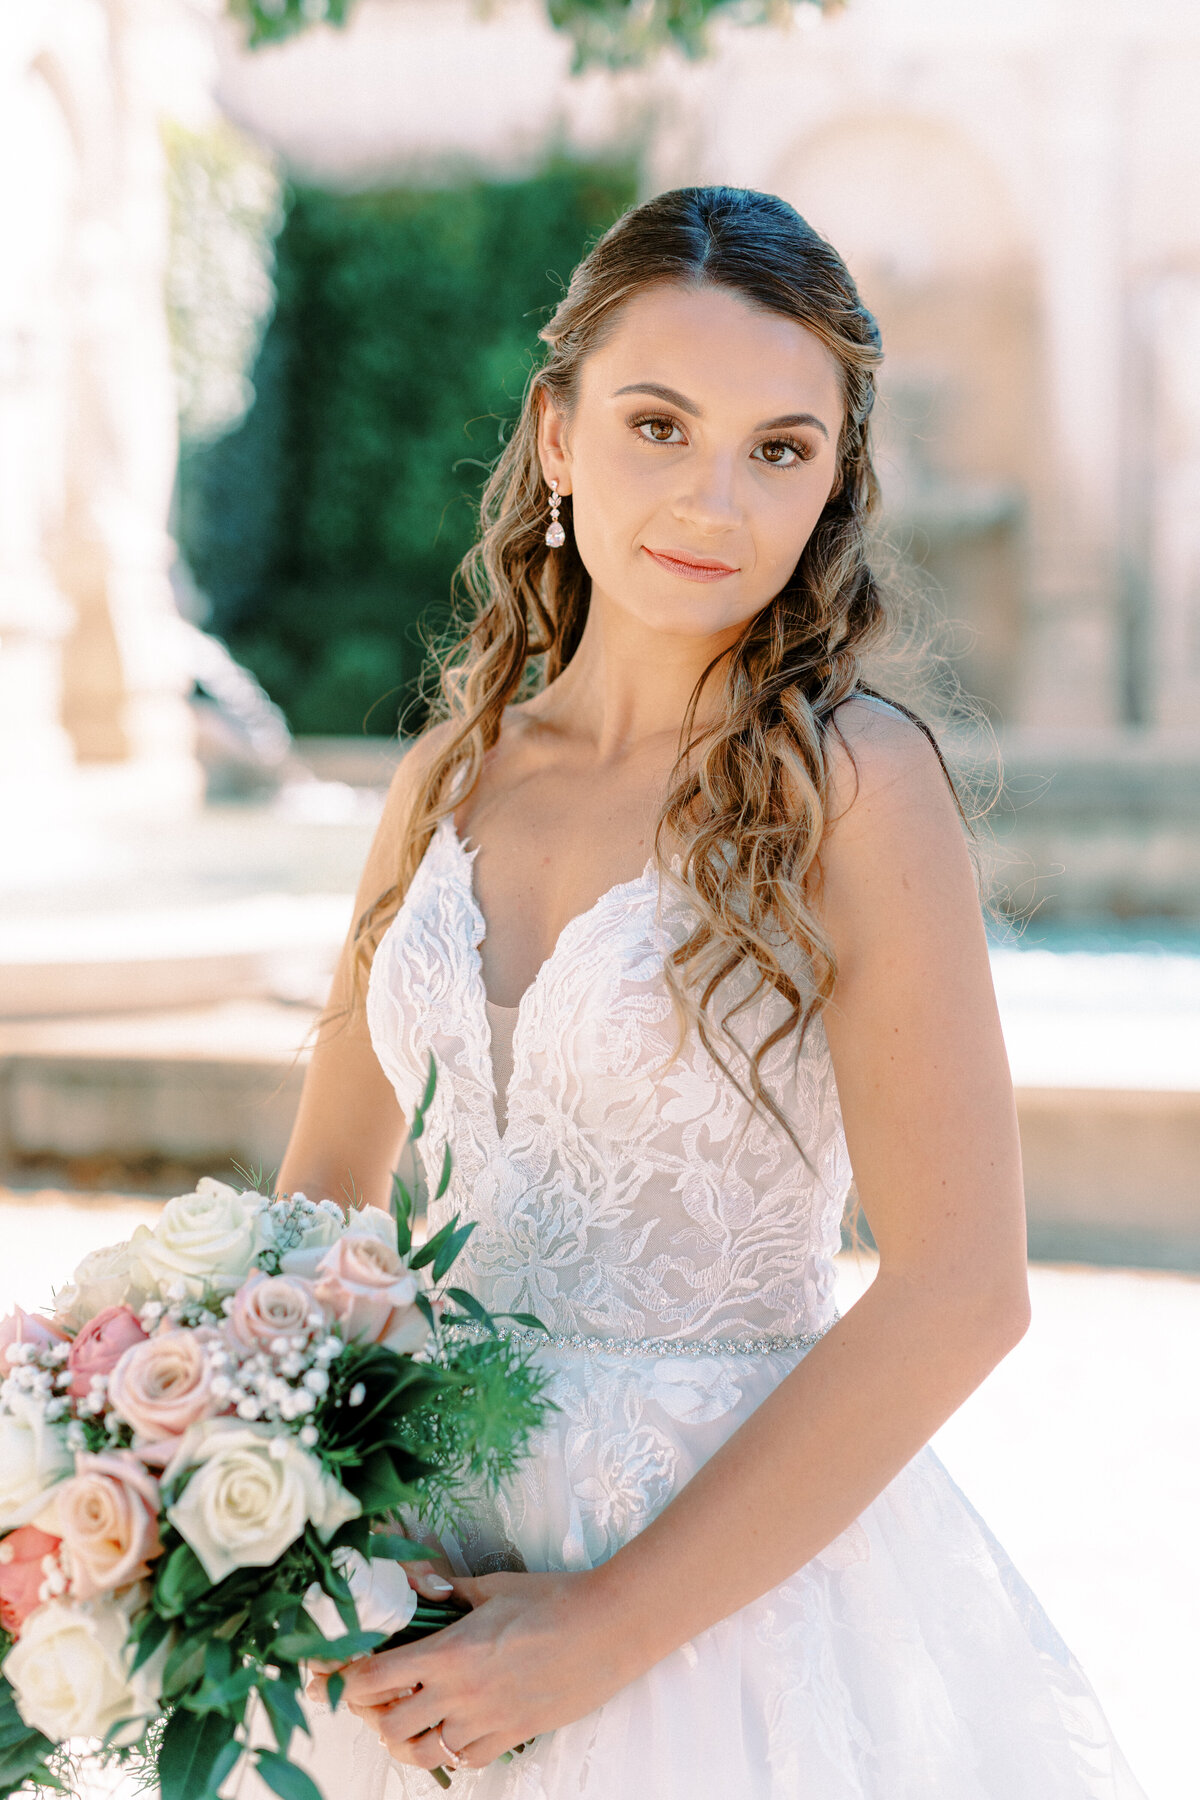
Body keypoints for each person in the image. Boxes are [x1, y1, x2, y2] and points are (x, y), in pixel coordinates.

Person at [278, 187, 1144, 1797]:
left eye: (781, 449)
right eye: (659, 425)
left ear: (836, 480)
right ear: (556, 433)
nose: (715, 500)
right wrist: (245, 1491)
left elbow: (964, 1289)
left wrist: (604, 1628)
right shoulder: (447, 777)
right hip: (410, 1598)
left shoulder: (854, 791)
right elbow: (326, 1201)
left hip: (712, 1603)